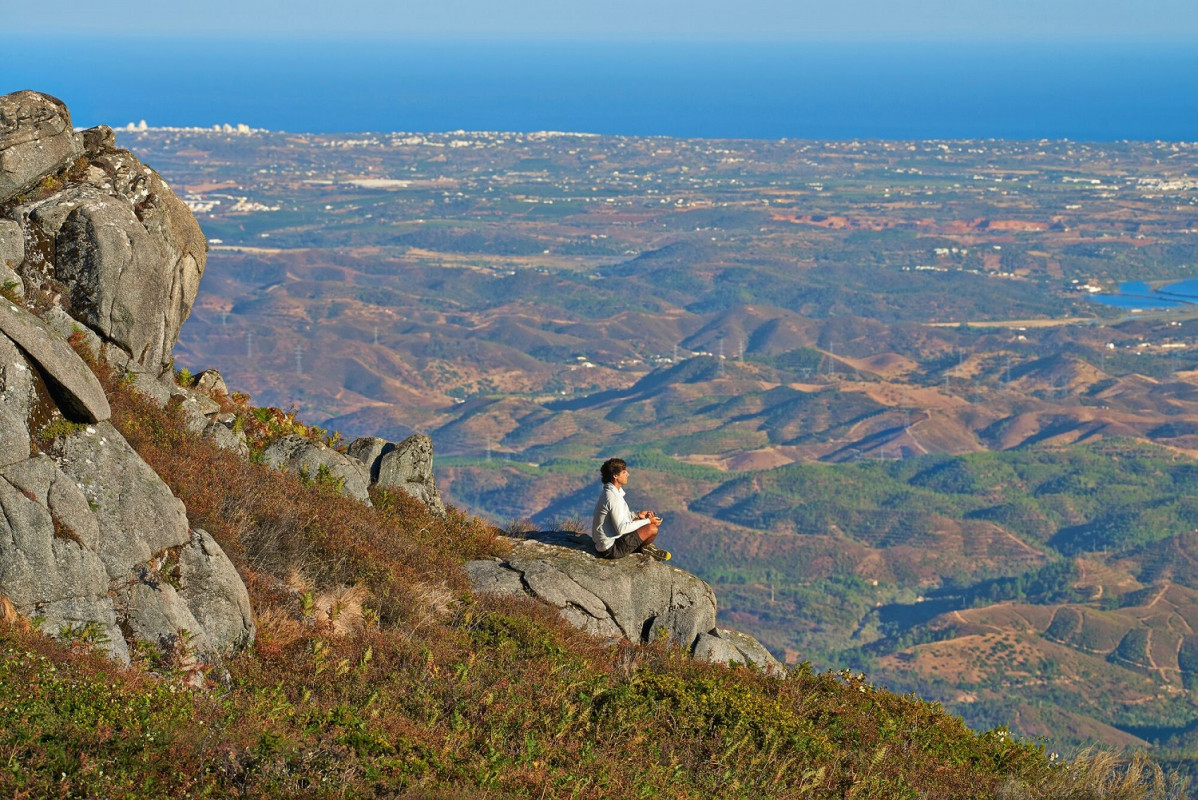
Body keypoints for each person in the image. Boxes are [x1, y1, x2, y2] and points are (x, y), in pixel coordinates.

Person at [591, 457, 670, 561]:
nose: (628, 474)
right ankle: (645, 548)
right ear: (615, 476)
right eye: (624, 472)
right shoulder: (613, 498)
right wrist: (648, 521)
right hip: (611, 549)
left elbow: (619, 518)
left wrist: (637, 515)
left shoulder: (611, 493)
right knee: (652, 528)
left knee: (640, 522)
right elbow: (622, 528)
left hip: (607, 542)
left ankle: (646, 547)